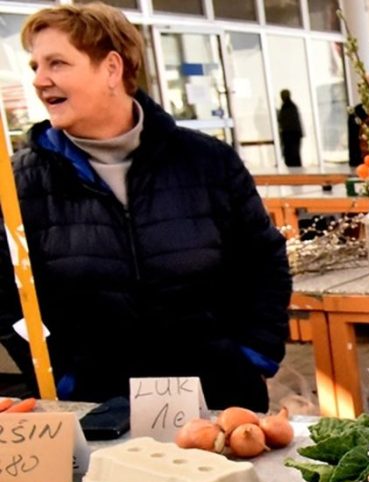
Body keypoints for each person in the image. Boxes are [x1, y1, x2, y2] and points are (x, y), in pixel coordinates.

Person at [0, 4, 290, 409]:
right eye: (35, 66)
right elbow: (7, 297)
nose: (39, 80)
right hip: (95, 407)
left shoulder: (208, 162)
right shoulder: (18, 184)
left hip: (220, 399)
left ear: (112, 69)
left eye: (57, 63)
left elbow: (263, 260)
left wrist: (254, 354)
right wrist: (57, 373)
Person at [277, 88, 302, 167]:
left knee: (292, 155)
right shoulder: (291, 106)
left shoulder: (287, 106)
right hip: (293, 133)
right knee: (294, 154)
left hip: (290, 134)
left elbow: (285, 120)